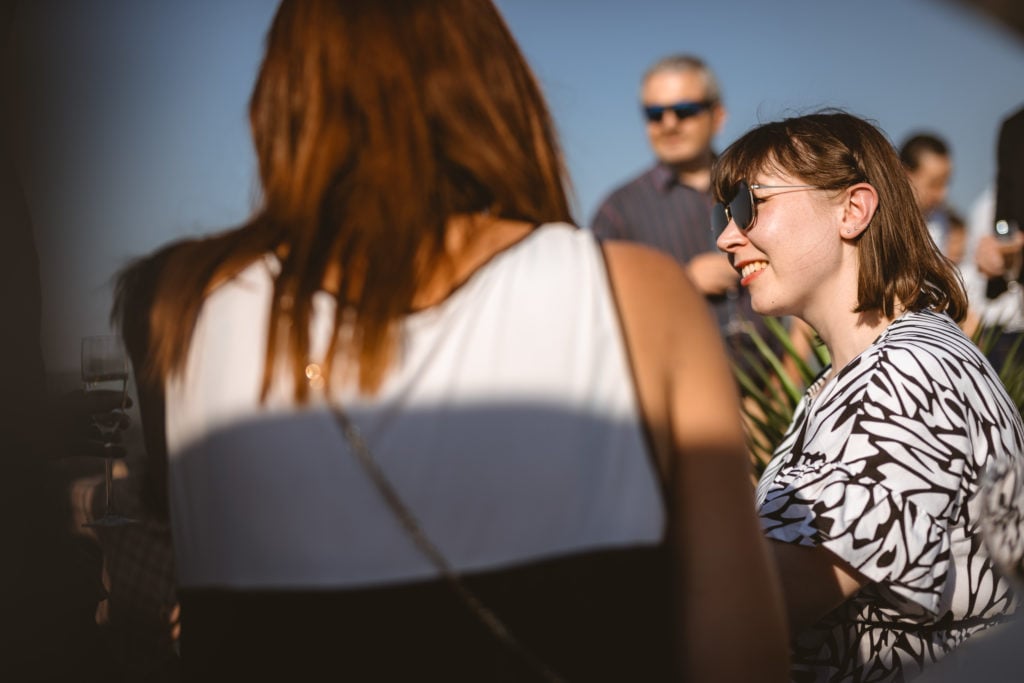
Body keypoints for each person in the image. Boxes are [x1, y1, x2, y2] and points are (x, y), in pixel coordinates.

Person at [120, 1, 788, 681]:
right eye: (656, 112)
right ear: (497, 91)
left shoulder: (178, 309)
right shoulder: (641, 294)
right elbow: (739, 655)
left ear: (283, 97)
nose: (668, 124)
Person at [713, 109, 1024, 681]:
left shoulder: (906, 379)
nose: (727, 235)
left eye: (748, 204)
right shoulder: (882, 365)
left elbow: (757, 606)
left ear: (853, 210)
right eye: (723, 211)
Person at [590, 54, 776, 385]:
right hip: (679, 407)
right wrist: (682, 281)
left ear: (717, 116)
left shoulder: (761, 187)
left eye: (685, 110)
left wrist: (785, 392)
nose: (669, 123)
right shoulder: (617, 211)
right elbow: (596, 313)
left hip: (780, 401)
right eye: (654, 114)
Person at [899, 132, 966, 263]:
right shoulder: (880, 225)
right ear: (905, 175)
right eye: (935, 184)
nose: (943, 194)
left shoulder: (943, 223)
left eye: (946, 183)